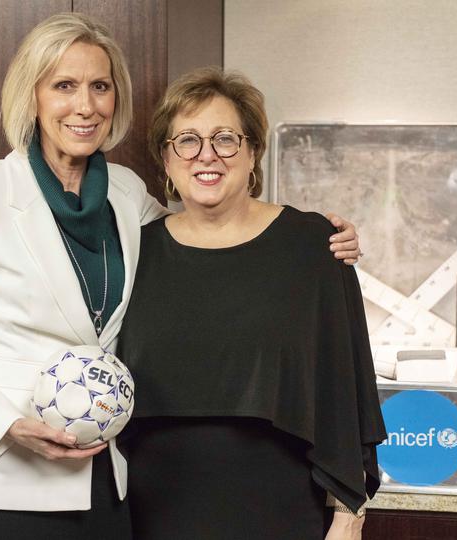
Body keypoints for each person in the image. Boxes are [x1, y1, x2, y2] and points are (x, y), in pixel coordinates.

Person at [0, 13, 361, 540]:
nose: (85, 105)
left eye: (100, 86)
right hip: (4, 482)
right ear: (32, 96)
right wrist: (7, 424)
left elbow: (211, 241)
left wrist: (315, 237)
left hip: (108, 485)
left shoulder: (127, 193)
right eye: (64, 86)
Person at [119, 67, 386, 539]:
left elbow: (346, 387)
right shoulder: (134, 251)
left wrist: (349, 517)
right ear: (166, 158)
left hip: (279, 515)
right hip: (149, 516)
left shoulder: (313, 246)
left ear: (252, 152)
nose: (206, 155)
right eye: (187, 140)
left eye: (225, 139)